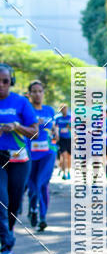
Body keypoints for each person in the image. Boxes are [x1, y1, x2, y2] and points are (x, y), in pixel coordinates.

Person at [0, 64, 38, 254]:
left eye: (5, 81)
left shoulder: (21, 102)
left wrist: (16, 127)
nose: (1, 85)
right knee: (1, 200)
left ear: (11, 82)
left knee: (14, 203)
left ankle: (7, 234)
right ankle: (6, 248)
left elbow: (35, 131)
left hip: (19, 159)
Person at [26, 80, 56, 232]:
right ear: (29, 94)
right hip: (29, 154)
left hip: (47, 153)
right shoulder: (26, 110)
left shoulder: (49, 110)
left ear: (43, 93)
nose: (37, 94)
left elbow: (54, 128)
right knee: (32, 187)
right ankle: (33, 209)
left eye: (40, 91)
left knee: (42, 184)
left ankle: (42, 217)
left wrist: (55, 132)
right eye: (34, 91)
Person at [55, 103, 71, 179]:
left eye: (65, 108)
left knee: (69, 157)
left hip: (70, 139)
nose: (64, 110)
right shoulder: (57, 118)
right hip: (61, 139)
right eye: (62, 108)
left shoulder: (70, 117)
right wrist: (57, 134)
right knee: (64, 155)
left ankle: (69, 171)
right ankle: (64, 173)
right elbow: (55, 128)